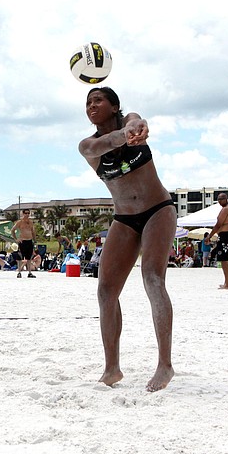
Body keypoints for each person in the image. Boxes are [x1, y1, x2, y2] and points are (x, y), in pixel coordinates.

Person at [78, 86, 175, 392]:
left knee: (152, 278)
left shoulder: (130, 120)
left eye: (99, 100)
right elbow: (102, 145)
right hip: (124, 218)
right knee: (106, 290)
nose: (92, 105)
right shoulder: (87, 145)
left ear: (114, 106)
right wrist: (124, 136)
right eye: (88, 102)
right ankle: (112, 368)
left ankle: (165, 365)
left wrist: (136, 127)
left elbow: (135, 122)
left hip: (158, 210)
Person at [209, 193, 228, 289]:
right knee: (225, 259)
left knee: (224, 259)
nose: (219, 201)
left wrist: (209, 236)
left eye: (221, 199)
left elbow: (218, 224)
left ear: (226, 199)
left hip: (226, 235)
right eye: (218, 200)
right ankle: (226, 282)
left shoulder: (226, 209)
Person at [11, 209, 37, 278]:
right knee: (20, 257)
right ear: (23, 214)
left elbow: (33, 232)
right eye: (26, 213)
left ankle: (29, 273)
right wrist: (16, 239)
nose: (27, 214)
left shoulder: (30, 222)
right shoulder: (20, 222)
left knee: (29, 258)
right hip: (22, 241)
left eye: (28, 213)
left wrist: (35, 240)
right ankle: (19, 272)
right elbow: (13, 230)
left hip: (29, 241)